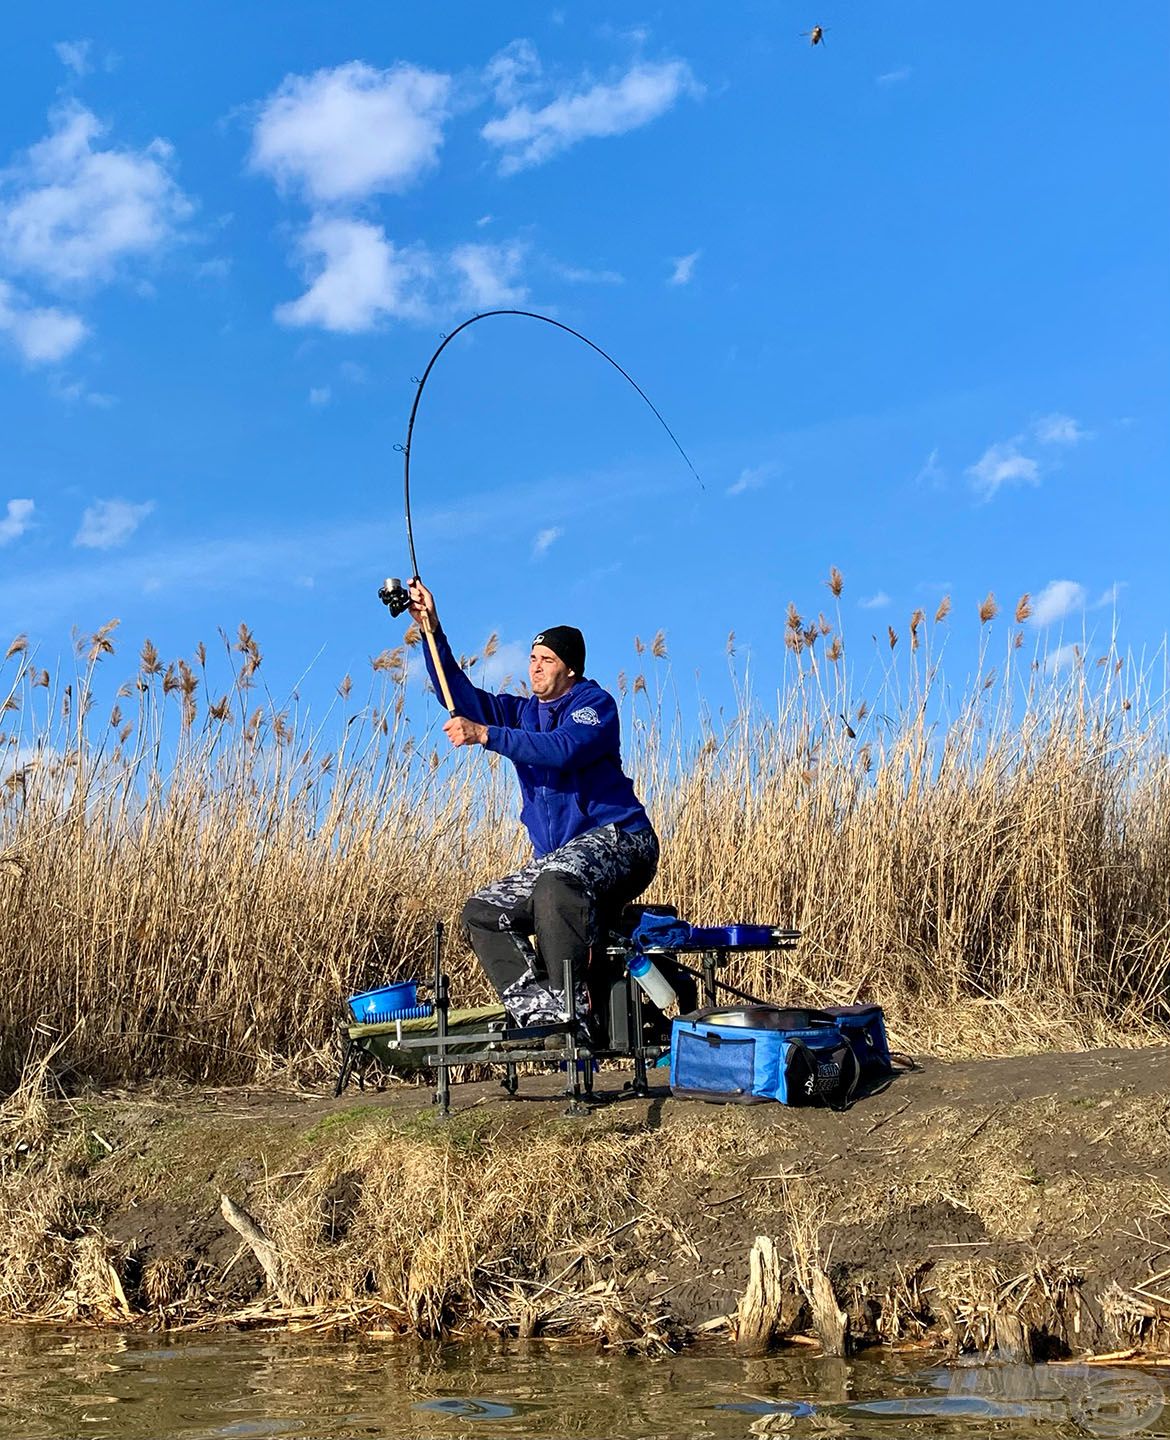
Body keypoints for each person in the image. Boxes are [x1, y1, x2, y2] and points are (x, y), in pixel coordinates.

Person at [407, 579, 659, 1036]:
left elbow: (562, 749)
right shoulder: (520, 712)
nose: (536, 667)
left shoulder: (593, 706)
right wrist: (432, 630)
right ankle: (543, 1015)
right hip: (558, 863)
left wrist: (485, 735)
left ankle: (573, 1007)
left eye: (547, 660)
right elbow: (457, 695)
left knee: (555, 881)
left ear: (571, 670)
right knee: (481, 911)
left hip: (622, 841)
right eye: (533, 658)